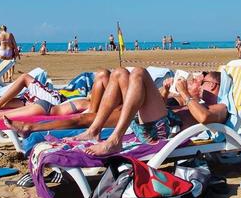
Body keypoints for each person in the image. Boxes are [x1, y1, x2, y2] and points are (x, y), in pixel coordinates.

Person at [79, 66, 228, 156]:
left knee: (140, 72)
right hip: (153, 125)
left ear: (214, 85)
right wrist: (166, 92)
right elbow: (163, 110)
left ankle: (115, 140)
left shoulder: (221, 108)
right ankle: (94, 130)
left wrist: (184, 93)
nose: (198, 83)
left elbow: (204, 117)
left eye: (202, 82)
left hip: (161, 131)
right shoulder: (197, 103)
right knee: (119, 73)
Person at [0, 70, 116, 149]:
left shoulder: (89, 107)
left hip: (44, 107)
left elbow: (101, 79)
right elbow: (101, 79)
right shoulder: (90, 108)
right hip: (45, 107)